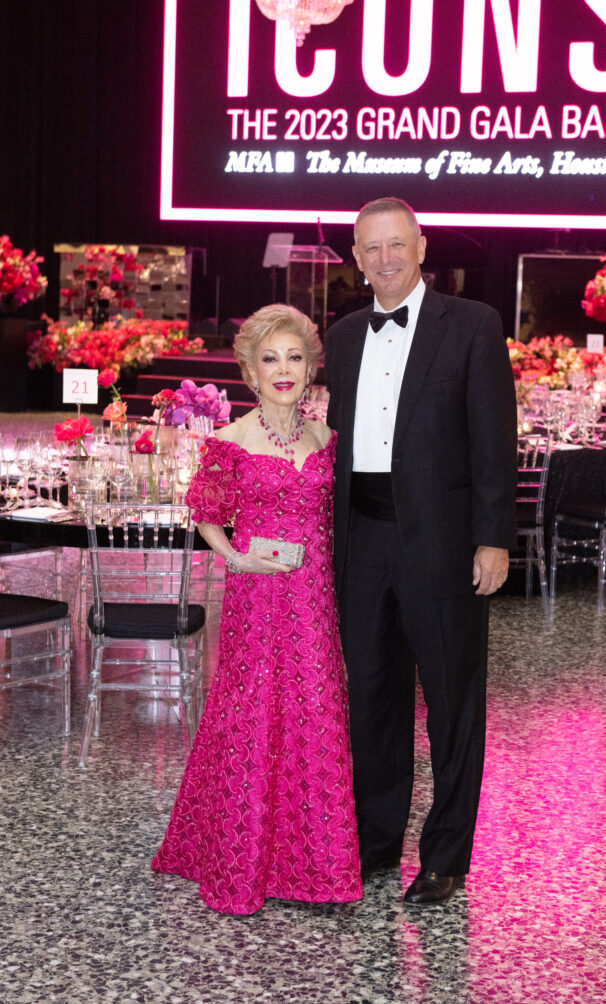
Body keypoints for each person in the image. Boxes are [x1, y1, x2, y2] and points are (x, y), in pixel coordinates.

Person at [324, 198, 517, 905]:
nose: (384, 259)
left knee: (451, 702)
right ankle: (375, 843)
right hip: (362, 541)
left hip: (441, 542)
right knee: (371, 697)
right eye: (370, 248)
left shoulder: (472, 326)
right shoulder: (342, 337)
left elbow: (496, 441)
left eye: (395, 245)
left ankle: (444, 856)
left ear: (421, 245)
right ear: (355, 256)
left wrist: (493, 536)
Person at [152, 304, 362, 915]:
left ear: (311, 366)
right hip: (260, 599)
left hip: (317, 598)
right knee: (254, 712)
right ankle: (239, 857)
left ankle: (316, 863)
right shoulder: (230, 440)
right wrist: (237, 559)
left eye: (295, 357)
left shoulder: (328, 437)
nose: (284, 369)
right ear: (249, 369)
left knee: (317, 709)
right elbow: (209, 516)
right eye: (270, 358)